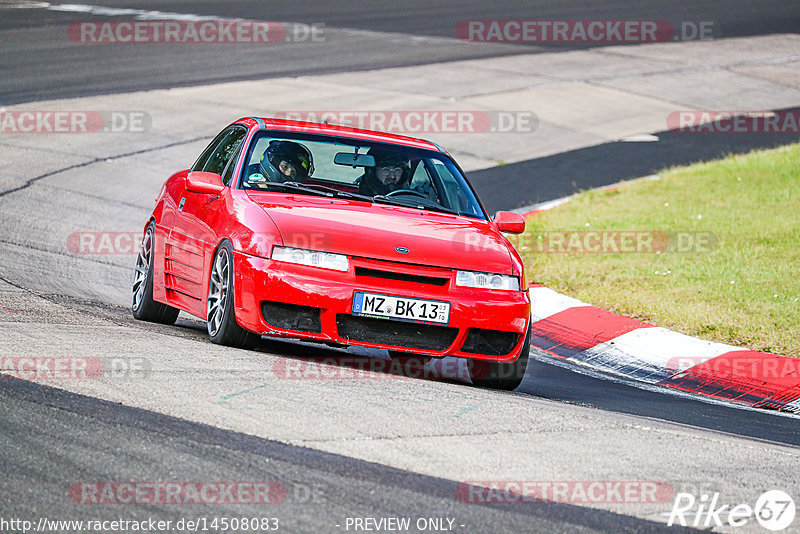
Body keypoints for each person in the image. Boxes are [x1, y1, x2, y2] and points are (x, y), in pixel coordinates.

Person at [245, 140, 314, 185]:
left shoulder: (295, 193)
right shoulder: (246, 182)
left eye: (293, 172)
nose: (288, 173)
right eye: (285, 167)